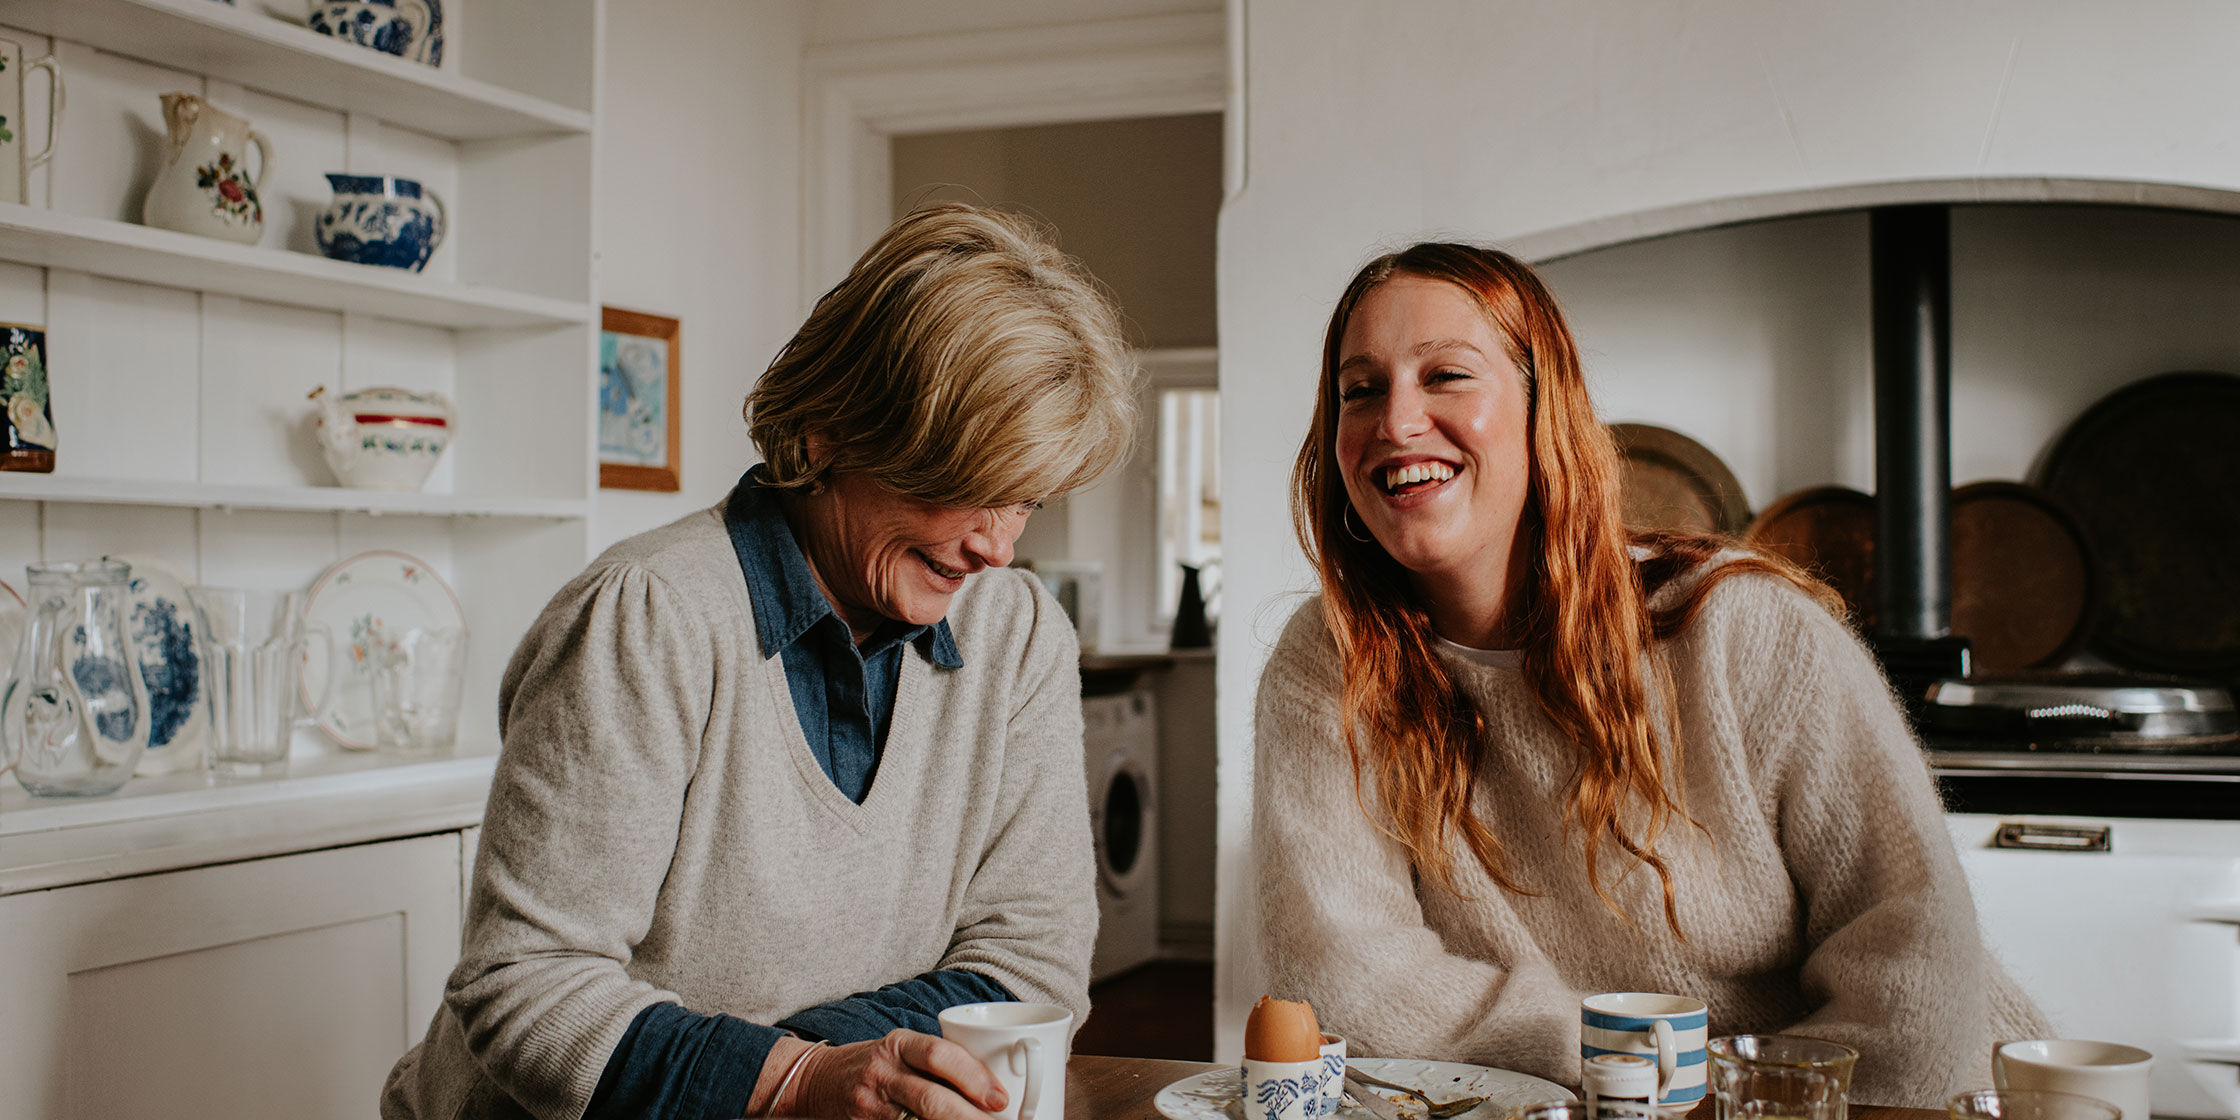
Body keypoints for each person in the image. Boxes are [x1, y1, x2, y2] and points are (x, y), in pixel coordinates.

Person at [383, 203, 1136, 1120]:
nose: (997, 547)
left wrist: (827, 1074)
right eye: (963, 488)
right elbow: (528, 984)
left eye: (1025, 500)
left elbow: (1032, 962)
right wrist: (790, 1081)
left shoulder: (1017, 639)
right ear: (827, 431)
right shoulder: (648, 618)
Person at [1252, 242, 2047, 1108]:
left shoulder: (1743, 630)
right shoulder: (1327, 661)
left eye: (1446, 375)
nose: (1396, 421)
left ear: (1541, 409)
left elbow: (1915, 969)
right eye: (1360, 389)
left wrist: (1718, 1093)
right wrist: (1634, 1075)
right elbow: (1347, 972)